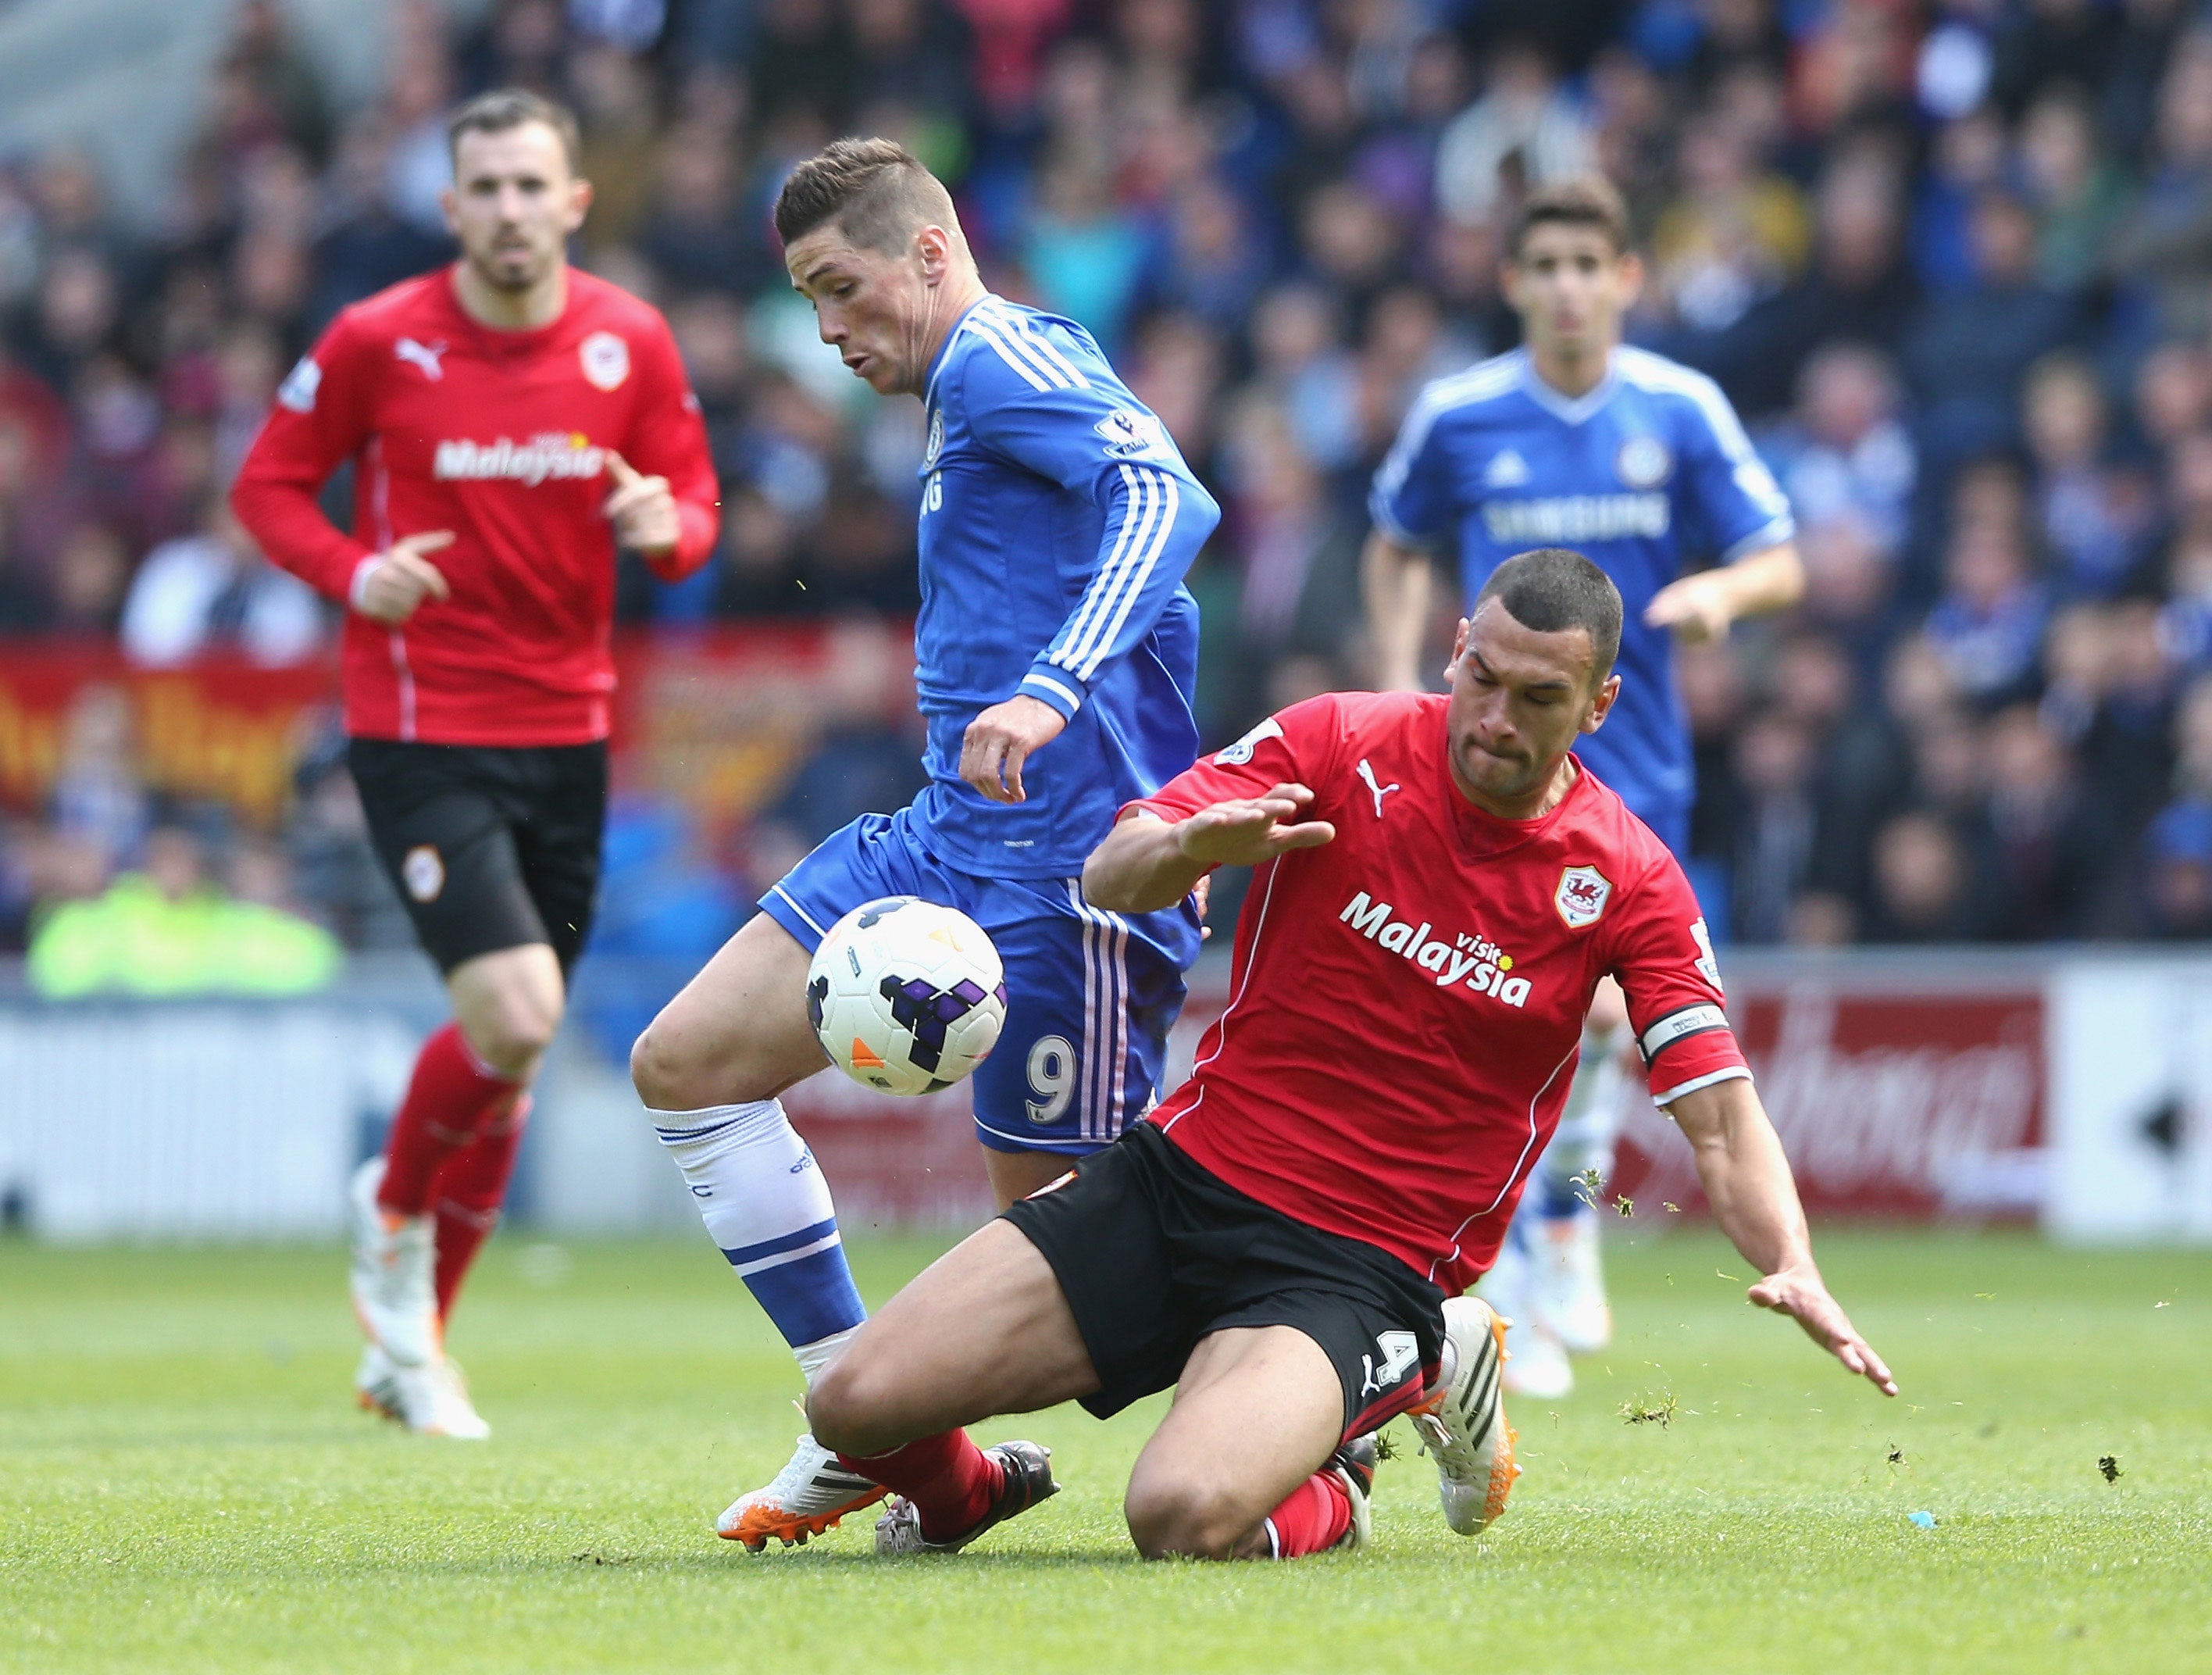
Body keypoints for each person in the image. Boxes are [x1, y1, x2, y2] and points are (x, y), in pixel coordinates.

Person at [801, 549, 1894, 1561]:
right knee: (852, 1403)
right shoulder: (1341, 740)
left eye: (1540, 699)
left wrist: (1790, 1259)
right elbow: (1109, 871)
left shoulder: (1629, 879)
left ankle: (1364, 1445)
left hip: (1361, 1260)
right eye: (1484, 676)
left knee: (1178, 1516)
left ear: (1600, 704)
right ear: (1458, 644)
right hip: (1181, 1180)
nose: (1496, 720)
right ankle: (963, 1500)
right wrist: (1189, 846)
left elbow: (1717, 1106)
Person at [625, 138, 1219, 1549]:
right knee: (686, 1066)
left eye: (843, 289)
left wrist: (1049, 684)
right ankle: (886, 1435)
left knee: (1086, 1279)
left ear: (933, 254)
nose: (828, 331)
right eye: (808, 301)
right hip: (944, 842)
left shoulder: (1005, 356)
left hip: (1070, 878)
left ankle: (1393, 1362)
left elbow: (1170, 497)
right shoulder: (968, 382)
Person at [231, 89, 719, 1437]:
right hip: (420, 726)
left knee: (511, 1053)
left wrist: (658, 525)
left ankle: (415, 1349)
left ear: (574, 201)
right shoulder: (379, 340)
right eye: (484, 187)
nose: (508, 208)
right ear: (452, 208)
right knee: (513, 1017)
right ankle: (388, 1217)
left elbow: (695, 506)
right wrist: (351, 570)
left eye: (530, 186)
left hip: (570, 734)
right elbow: (268, 486)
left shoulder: (631, 341)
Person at [1362, 175, 1803, 1397]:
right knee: (1499, 1013)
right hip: (1487, 763)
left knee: (1604, 1014)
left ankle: (1554, 1232)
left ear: (1626, 279)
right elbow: (1396, 536)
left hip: (1633, 766)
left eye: (1584, 265)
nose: (1564, 286)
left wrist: (1721, 596)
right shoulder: (1459, 414)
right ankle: (1509, 1261)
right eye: (1541, 264)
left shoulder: (1681, 408)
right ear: (1512, 281)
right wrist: (1402, 671)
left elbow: (1780, 556)